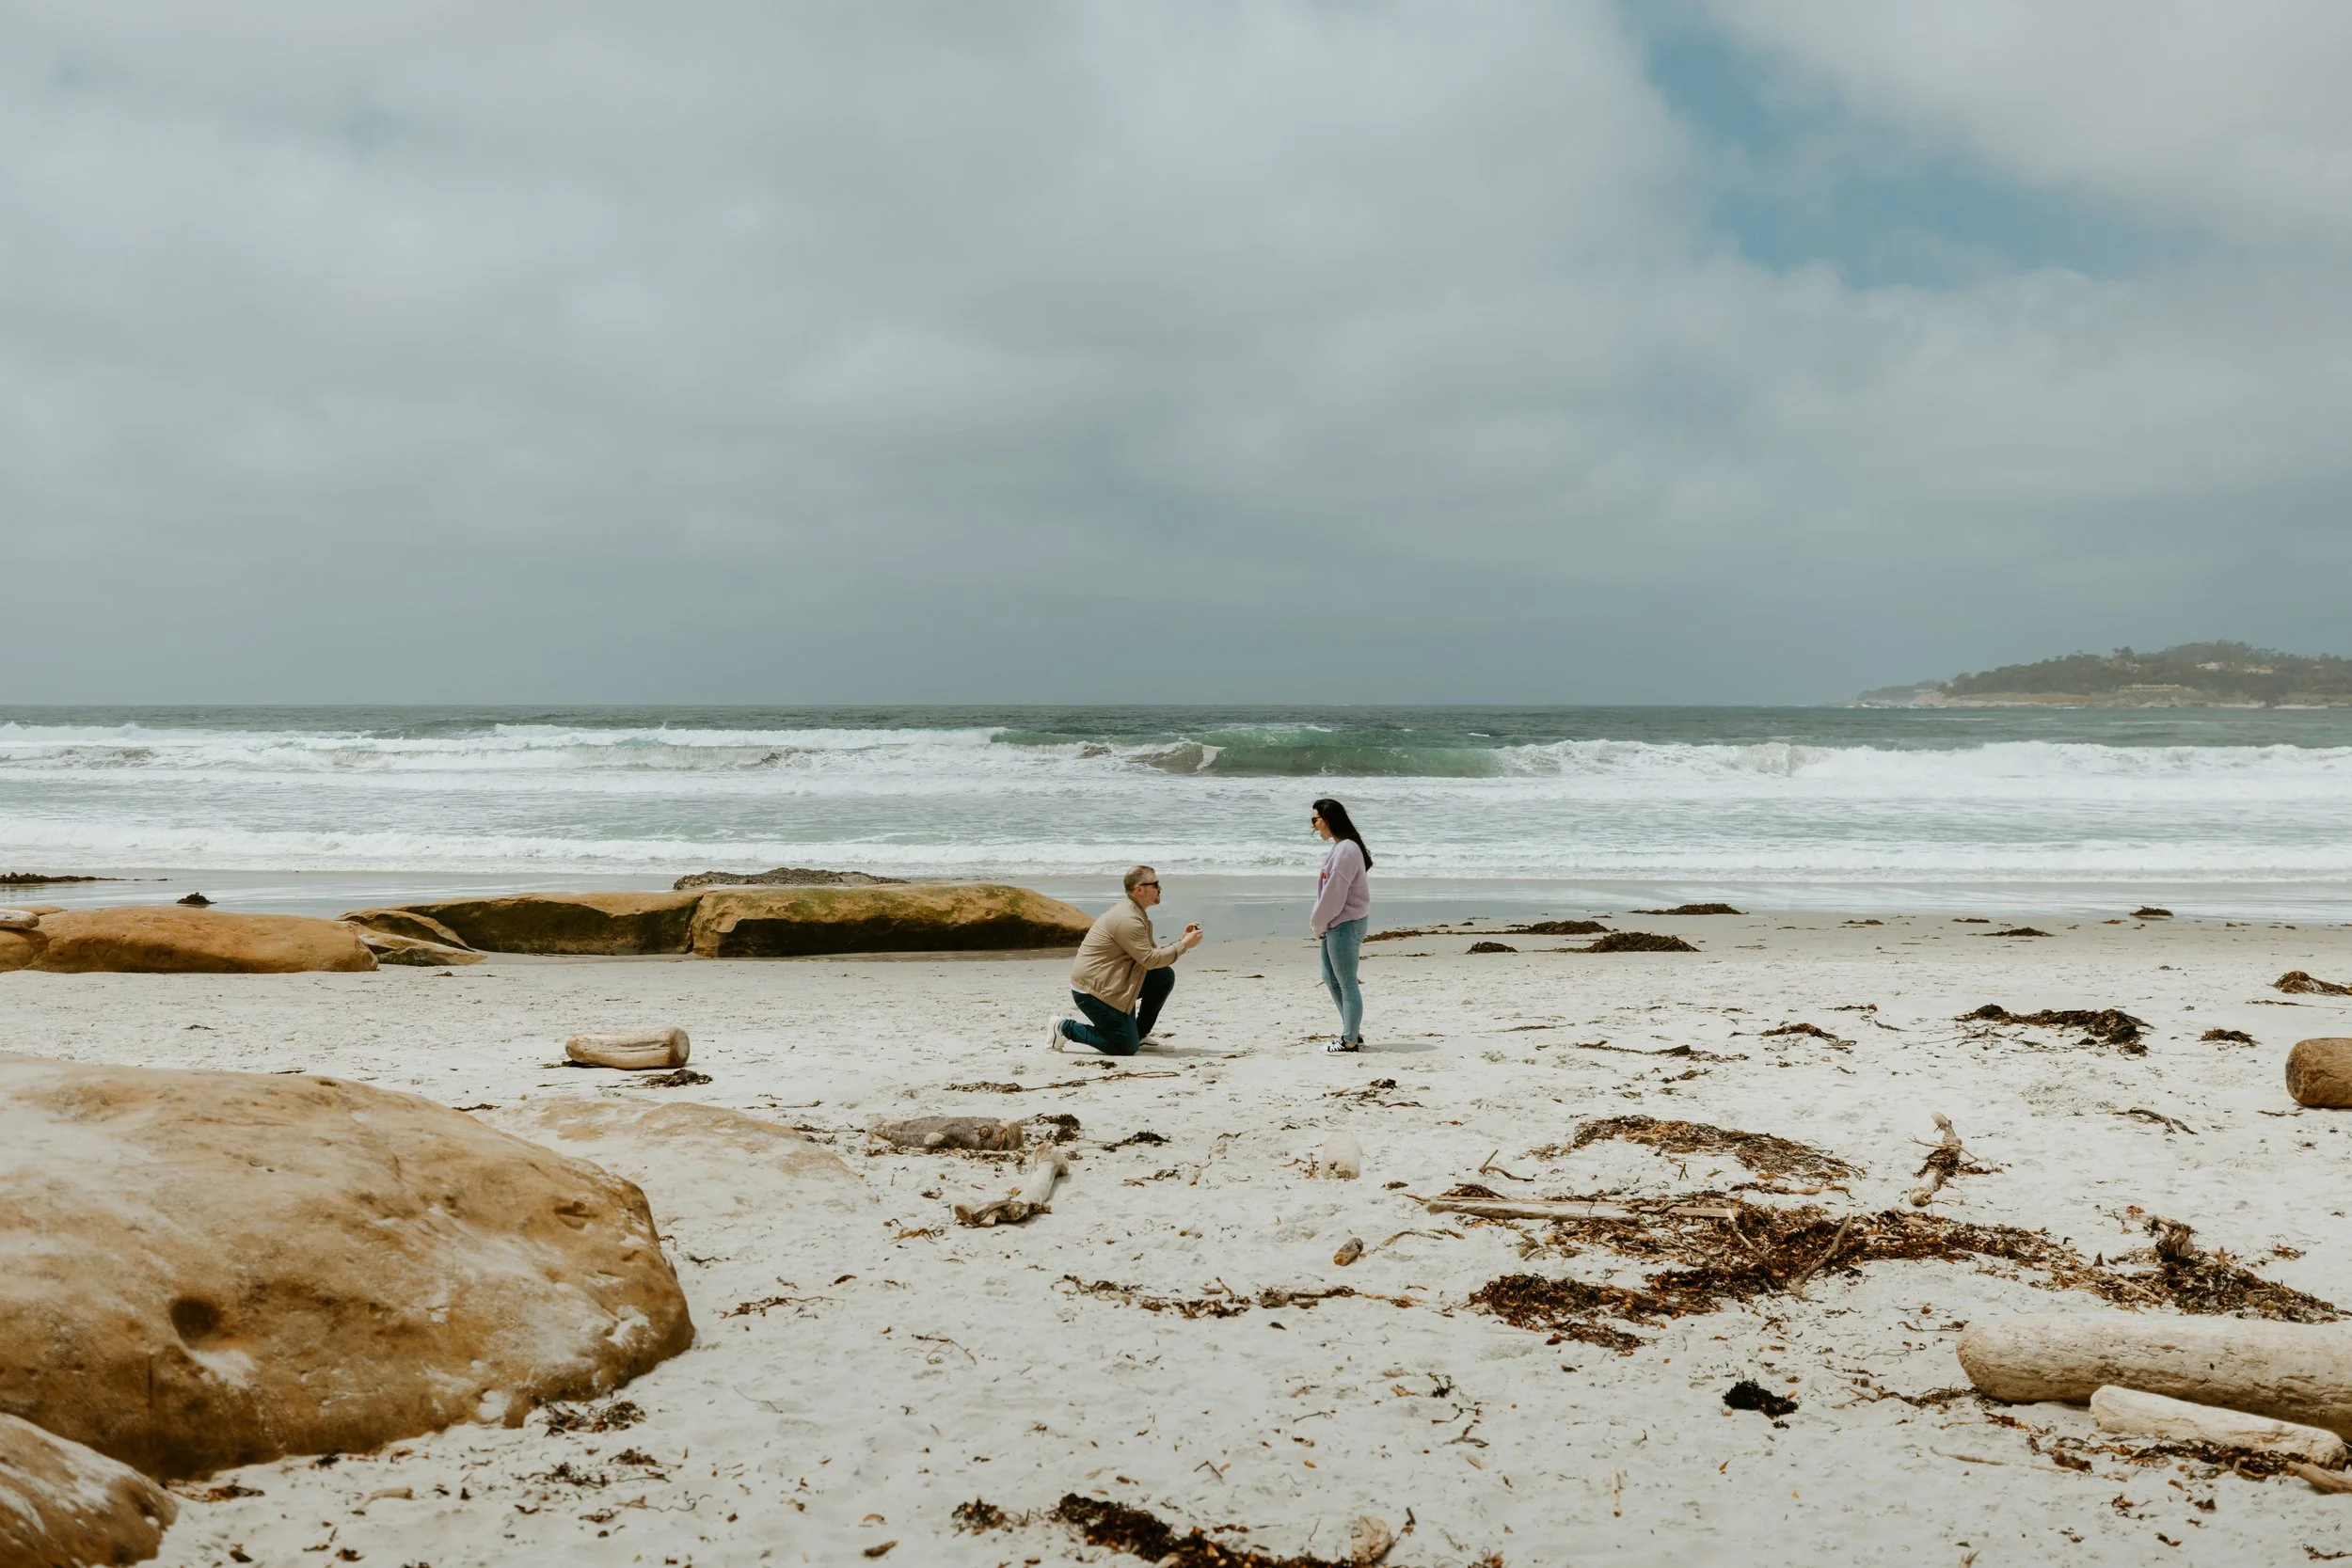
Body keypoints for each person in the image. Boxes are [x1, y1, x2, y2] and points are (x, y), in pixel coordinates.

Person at [1048, 864, 1201, 1056]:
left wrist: (1181, 941)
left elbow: (1150, 955)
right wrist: (1184, 945)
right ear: (1139, 889)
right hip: (1093, 992)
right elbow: (1150, 960)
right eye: (1155, 884)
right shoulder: (1128, 918)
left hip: (1114, 982)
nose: (1159, 889)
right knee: (1124, 1047)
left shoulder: (1135, 913)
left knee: (1163, 976)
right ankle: (1063, 1028)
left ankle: (1140, 1035)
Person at [1308, 798, 1372, 1052]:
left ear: (1328, 819)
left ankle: (1349, 1041)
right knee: (1330, 977)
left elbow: (1335, 894)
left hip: (1344, 923)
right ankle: (1352, 1031)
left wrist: (1318, 923)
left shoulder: (1346, 850)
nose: (1313, 826)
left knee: (1346, 982)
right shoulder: (1343, 848)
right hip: (1338, 922)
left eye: (1315, 820)